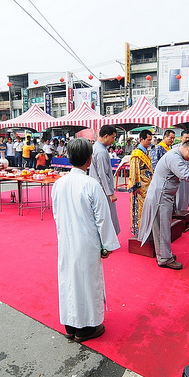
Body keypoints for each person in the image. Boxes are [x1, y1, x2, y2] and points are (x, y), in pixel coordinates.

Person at [51, 138, 119, 342]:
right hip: (87, 242)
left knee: (69, 281)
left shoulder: (59, 183)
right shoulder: (91, 185)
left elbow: (56, 214)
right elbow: (103, 219)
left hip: (66, 241)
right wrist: (106, 246)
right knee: (87, 284)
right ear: (89, 161)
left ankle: (70, 325)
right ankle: (86, 328)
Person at [138, 138, 189, 270]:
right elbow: (187, 175)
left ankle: (164, 255)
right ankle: (164, 259)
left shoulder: (175, 154)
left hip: (163, 195)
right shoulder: (174, 157)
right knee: (163, 228)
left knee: (163, 227)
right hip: (161, 196)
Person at [89, 125, 121, 235]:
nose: (113, 140)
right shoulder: (101, 151)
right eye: (113, 137)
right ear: (106, 136)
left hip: (97, 186)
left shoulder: (96, 147)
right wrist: (110, 193)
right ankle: (107, 238)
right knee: (106, 214)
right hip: (102, 189)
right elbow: (103, 174)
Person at [128, 130, 153, 236]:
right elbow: (133, 172)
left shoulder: (145, 152)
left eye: (151, 140)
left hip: (147, 184)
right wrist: (135, 186)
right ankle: (139, 229)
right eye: (148, 140)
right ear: (141, 139)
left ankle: (146, 227)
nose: (150, 142)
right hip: (140, 186)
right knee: (139, 208)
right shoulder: (136, 153)